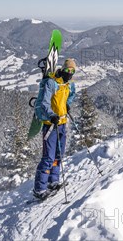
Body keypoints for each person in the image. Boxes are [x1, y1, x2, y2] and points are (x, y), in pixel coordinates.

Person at [32, 58, 77, 199]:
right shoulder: (52, 83)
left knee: (58, 155)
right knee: (48, 157)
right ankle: (39, 189)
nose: (70, 73)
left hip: (62, 123)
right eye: (68, 70)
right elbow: (44, 103)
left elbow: (70, 96)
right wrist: (51, 115)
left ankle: (53, 181)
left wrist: (67, 104)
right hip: (51, 125)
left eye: (72, 71)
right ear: (62, 69)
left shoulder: (68, 85)